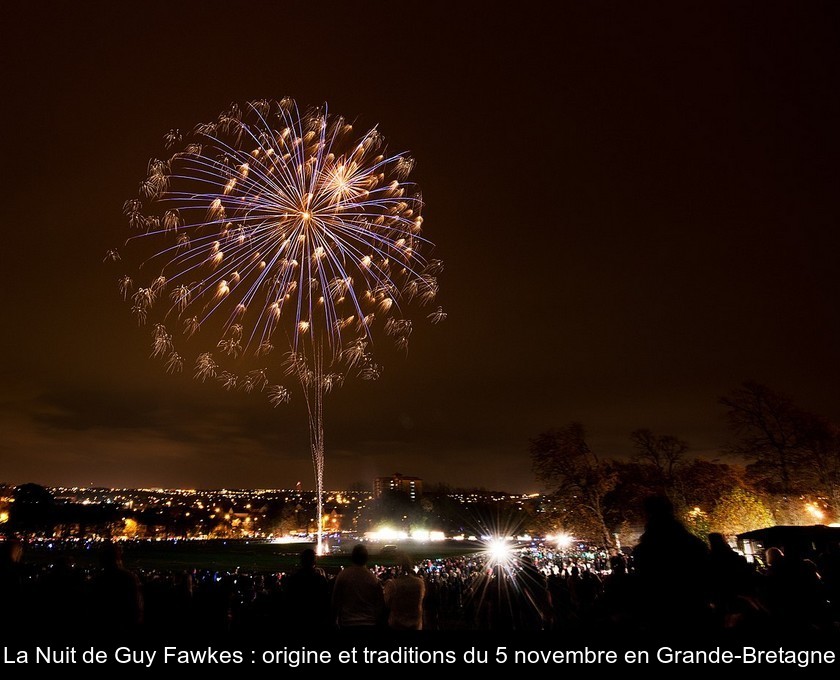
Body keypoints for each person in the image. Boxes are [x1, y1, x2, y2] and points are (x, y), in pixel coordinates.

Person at [632, 495, 710, 631]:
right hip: (696, 614)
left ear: (648, 514)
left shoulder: (645, 550)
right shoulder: (694, 544)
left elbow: (644, 586)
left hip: (662, 618)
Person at [331, 544, 384, 629]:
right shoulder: (372, 578)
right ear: (366, 558)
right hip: (369, 623)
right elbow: (379, 602)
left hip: (348, 623)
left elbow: (336, 600)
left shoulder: (343, 575)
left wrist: (334, 620)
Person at [282, 548, 331, 630]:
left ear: (301, 561)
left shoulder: (293, 579)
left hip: (298, 618)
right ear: (314, 562)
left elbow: (288, 599)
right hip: (316, 618)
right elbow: (326, 600)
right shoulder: (320, 579)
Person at [383, 554, 425, 629]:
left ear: (399, 567)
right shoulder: (420, 583)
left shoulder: (393, 584)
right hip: (416, 624)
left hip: (397, 624)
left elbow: (386, 603)